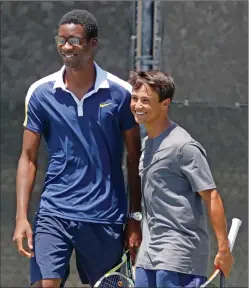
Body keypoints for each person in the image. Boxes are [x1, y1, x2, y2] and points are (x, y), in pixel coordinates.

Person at [13, 9, 142, 288]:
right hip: (54, 212)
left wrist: (134, 217)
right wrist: (21, 217)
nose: (66, 46)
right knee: (44, 284)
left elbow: (134, 159)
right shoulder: (40, 93)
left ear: (92, 44)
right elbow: (28, 158)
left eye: (74, 40)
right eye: (61, 40)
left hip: (105, 216)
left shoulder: (121, 94)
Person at [129, 70, 234, 287]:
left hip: (179, 255)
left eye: (146, 101)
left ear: (165, 103)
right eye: (135, 98)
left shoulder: (184, 147)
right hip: (148, 255)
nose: (138, 106)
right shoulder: (147, 143)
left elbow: (212, 196)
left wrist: (224, 250)